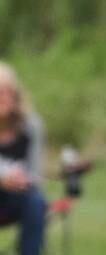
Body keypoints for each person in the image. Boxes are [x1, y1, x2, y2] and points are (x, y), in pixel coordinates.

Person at [0, 63, 47, 255]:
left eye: (5, 92)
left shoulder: (31, 127)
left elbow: (35, 175)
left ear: (15, 95)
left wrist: (21, 180)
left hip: (17, 195)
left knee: (35, 202)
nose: (1, 98)